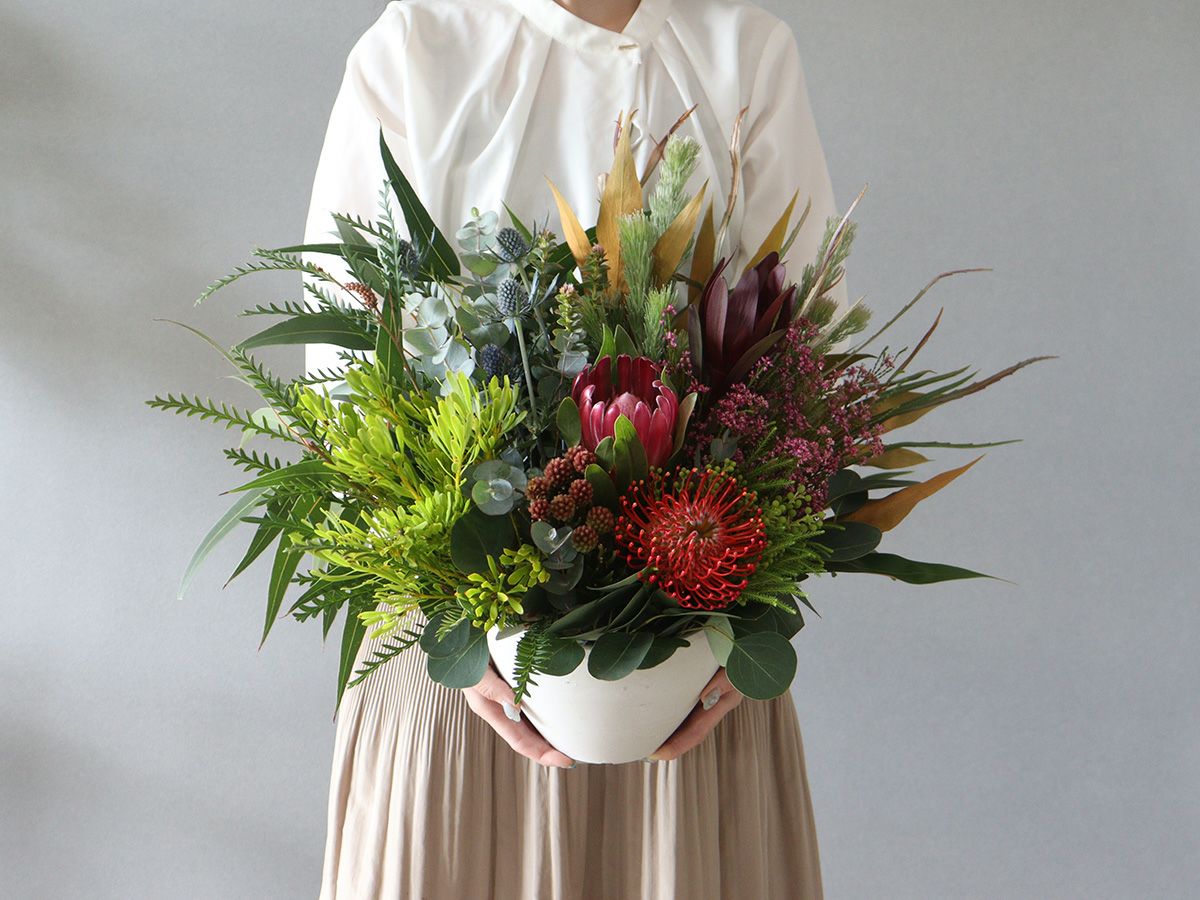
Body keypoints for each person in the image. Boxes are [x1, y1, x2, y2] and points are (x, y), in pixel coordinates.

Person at [303, 1, 846, 897]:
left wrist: (739, 639)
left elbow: (805, 357)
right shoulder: (417, 52)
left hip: (688, 692)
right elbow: (342, 385)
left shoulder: (744, 52)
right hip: (463, 694)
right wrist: (447, 631)